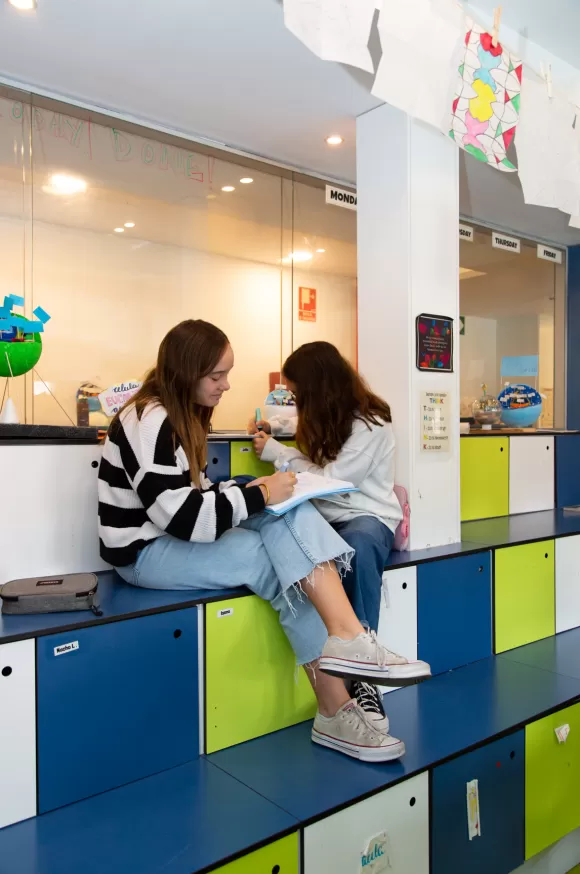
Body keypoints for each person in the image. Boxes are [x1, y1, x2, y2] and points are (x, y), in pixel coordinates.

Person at [98, 320, 429, 764]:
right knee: (270, 550)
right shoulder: (149, 418)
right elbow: (181, 518)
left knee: (286, 516)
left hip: (169, 537)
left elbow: (192, 502)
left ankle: (348, 646)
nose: (226, 385)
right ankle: (338, 691)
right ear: (186, 371)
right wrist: (257, 493)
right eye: (217, 376)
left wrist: (262, 495)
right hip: (143, 554)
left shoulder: (177, 416)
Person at [251, 341, 430, 731]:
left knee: (359, 546)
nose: (295, 402)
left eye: (298, 394)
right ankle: (347, 667)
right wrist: (276, 446)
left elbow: (332, 481)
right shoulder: (323, 418)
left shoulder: (373, 425)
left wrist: (282, 458)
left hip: (368, 518)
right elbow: (315, 469)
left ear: (319, 387)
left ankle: (364, 673)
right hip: (330, 517)